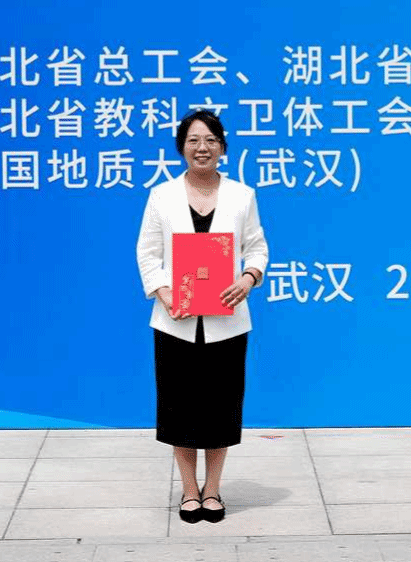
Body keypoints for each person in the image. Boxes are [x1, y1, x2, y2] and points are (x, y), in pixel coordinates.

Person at [134, 108, 269, 524]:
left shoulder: (242, 195)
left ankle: (213, 490)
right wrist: (164, 292)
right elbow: (147, 253)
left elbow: (257, 247)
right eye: (193, 140)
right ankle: (189, 491)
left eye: (210, 140)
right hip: (175, 321)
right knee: (179, 409)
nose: (202, 147)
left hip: (227, 321)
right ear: (181, 148)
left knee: (220, 408)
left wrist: (247, 279)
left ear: (223, 147)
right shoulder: (162, 195)